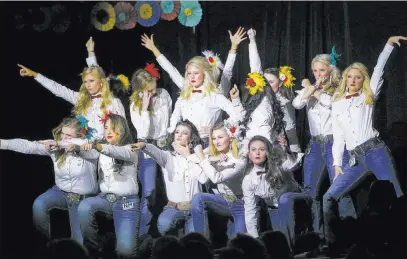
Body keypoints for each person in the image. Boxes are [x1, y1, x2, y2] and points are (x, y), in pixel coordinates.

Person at [324, 35, 406, 254]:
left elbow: (378, 70)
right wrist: (336, 164)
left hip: (376, 151)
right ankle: (334, 245)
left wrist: (387, 45)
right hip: (355, 159)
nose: (352, 80)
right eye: (349, 77)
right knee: (329, 197)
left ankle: (400, 245)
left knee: (396, 196)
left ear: (363, 80)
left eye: (357, 77)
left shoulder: (368, 96)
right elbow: (339, 137)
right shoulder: (338, 103)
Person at [85, 36, 173, 236]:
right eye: (148, 91)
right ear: (140, 91)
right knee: (149, 192)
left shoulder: (165, 94)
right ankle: (142, 233)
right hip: (146, 149)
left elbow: (170, 119)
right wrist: (145, 107)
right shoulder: (135, 105)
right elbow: (142, 132)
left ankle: (173, 233)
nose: (153, 92)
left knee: (174, 190)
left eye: (154, 88)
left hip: (166, 147)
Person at [0, 116, 98, 244]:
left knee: (78, 242)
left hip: (81, 197)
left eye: (68, 135)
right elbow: (29, 145)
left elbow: (84, 148)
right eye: (62, 133)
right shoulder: (56, 146)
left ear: (80, 137)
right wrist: (3, 143)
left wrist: (59, 143)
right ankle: (43, 247)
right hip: (60, 192)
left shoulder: (88, 147)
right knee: (39, 204)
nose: (63, 137)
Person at [292, 46, 355, 239]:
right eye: (315, 71)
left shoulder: (339, 90)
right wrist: (310, 88)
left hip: (334, 144)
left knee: (340, 189)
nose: (318, 74)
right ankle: (318, 237)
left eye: (322, 70)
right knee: (310, 192)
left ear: (330, 70)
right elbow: (297, 104)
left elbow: (332, 105)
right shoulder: (309, 90)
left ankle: (350, 235)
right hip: (315, 145)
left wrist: (315, 91)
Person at [141, 30, 246, 146]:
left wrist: (217, 130)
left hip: (207, 145)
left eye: (196, 73)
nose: (192, 77)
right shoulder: (185, 92)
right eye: (189, 73)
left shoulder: (215, 96)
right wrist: (154, 49)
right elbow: (171, 70)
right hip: (185, 144)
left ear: (205, 74)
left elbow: (238, 115)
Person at [75, 114, 140, 259]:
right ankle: (93, 251)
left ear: (122, 130)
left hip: (126, 204)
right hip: (104, 199)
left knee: (126, 253)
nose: (108, 131)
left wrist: (98, 146)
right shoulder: (101, 149)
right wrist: (78, 149)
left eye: (113, 128)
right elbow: (89, 153)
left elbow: (115, 151)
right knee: (85, 206)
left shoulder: (131, 148)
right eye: (105, 128)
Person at [131, 120, 209, 236]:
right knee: (164, 223)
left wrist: (188, 156)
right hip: (174, 208)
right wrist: (143, 145)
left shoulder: (198, 156)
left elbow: (204, 179)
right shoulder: (168, 157)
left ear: (191, 138)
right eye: (177, 132)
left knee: (196, 243)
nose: (179, 135)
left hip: (195, 208)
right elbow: (154, 151)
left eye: (184, 133)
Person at [18, 63, 125, 141]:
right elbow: (58, 89)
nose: (88, 85)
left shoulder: (114, 102)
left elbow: (122, 131)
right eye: (85, 82)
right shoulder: (81, 98)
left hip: (107, 151)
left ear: (101, 82)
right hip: (85, 150)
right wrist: (35, 75)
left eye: (91, 81)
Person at [242, 135, 312, 249]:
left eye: (262, 149)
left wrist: (286, 150)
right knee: (276, 241)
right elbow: (250, 210)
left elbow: (292, 164)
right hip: (274, 209)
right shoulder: (248, 180)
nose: (257, 153)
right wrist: (255, 239)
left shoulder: (279, 165)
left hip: (297, 201)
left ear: (268, 152)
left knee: (284, 199)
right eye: (254, 150)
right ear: (249, 155)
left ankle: (287, 251)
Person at [247, 28, 301, 154]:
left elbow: (290, 130)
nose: (267, 85)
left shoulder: (284, 102)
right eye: (265, 82)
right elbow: (255, 68)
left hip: (273, 147)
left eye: (271, 82)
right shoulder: (259, 96)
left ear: (280, 82)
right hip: (254, 145)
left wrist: (295, 154)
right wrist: (252, 41)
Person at [191, 121, 247, 239]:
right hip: (222, 200)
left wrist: (203, 157)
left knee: (237, 244)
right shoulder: (214, 152)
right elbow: (191, 157)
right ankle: (200, 242)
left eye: (220, 137)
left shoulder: (240, 158)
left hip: (240, 203)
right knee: (198, 198)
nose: (216, 141)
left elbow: (217, 178)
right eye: (214, 138)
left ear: (230, 137)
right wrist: (211, 158)